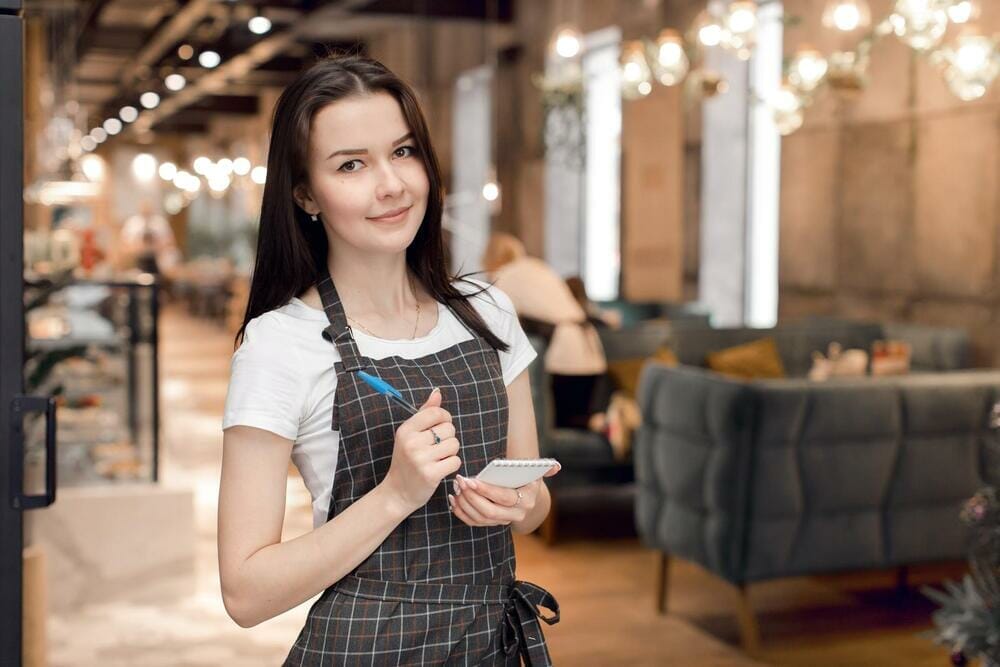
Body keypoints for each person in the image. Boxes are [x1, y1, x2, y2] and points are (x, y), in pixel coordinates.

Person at [218, 55, 560, 666]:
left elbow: (534, 510)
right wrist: (395, 495)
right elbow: (245, 592)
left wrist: (517, 503)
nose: (392, 184)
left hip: (491, 646)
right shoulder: (280, 345)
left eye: (403, 152)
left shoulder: (488, 312)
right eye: (352, 164)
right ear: (305, 196)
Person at [482, 232, 608, 430]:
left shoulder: (505, 276)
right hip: (588, 343)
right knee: (579, 420)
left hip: (565, 352)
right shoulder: (538, 267)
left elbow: (499, 325)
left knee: (561, 425)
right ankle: (607, 425)